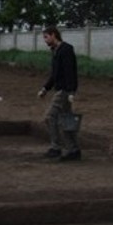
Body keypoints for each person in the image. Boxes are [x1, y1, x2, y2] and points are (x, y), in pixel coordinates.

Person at [37, 25, 81, 161]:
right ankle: (73, 150)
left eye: (46, 37)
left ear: (53, 35)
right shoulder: (56, 51)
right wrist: (45, 88)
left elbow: (70, 71)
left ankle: (56, 148)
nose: (45, 40)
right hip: (62, 90)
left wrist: (71, 91)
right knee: (66, 120)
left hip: (64, 91)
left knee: (50, 117)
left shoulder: (66, 50)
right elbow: (55, 74)